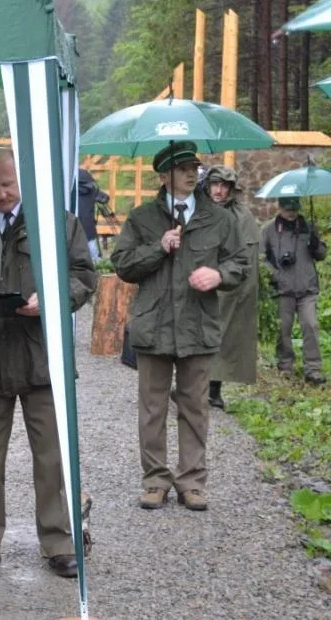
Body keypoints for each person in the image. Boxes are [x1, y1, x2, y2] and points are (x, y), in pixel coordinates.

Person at [0, 148, 96, 579]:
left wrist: (54, 299)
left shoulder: (56, 220)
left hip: (43, 357)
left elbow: (84, 275)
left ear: (22, 180)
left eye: (8, 185)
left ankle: (59, 541)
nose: (1, 194)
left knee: (51, 458)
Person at [112, 141, 248, 512]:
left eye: (195, 167)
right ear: (164, 176)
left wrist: (218, 274)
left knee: (195, 407)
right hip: (153, 326)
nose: (192, 173)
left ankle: (192, 481)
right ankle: (155, 480)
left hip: (197, 326)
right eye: (183, 167)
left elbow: (240, 264)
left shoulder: (220, 219)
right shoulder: (142, 218)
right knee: (152, 408)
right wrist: (158, 247)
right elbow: (122, 264)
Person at [205, 166, 261, 408]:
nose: (219, 190)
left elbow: (248, 255)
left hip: (229, 286)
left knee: (224, 337)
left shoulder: (242, 215)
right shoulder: (197, 209)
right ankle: (189, 387)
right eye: (215, 184)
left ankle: (213, 389)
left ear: (231, 189)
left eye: (224, 185)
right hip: (197, 283)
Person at [263, 196, 327, 385]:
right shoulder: (268, 229)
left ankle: (313, 370)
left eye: (294, 209)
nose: (291, 213)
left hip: (307, 288)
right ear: (280, 207)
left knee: (311, 326)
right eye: (287, 209)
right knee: (283, 330)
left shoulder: (307, 226)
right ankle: (285, 367)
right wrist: (276, 275)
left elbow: (321, 255)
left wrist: (317, 245)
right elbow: (260, 258)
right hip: (282, 290)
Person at [77, 168, 109, 262]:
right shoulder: (92, 191)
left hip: (74, 227)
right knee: (94, 256)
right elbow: (105, 199)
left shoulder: (70, 192)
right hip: (89, 228)